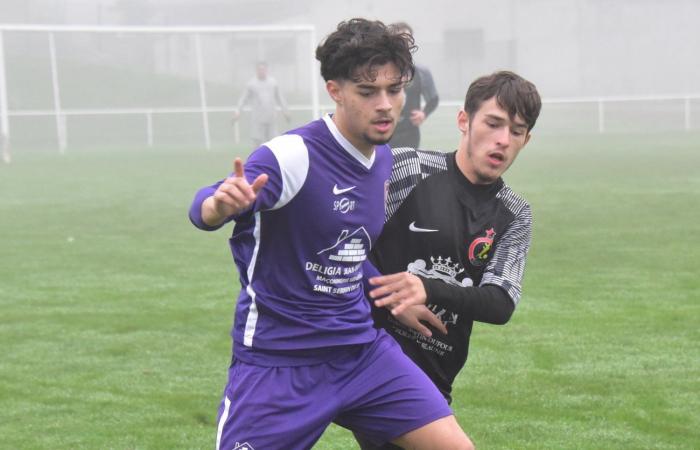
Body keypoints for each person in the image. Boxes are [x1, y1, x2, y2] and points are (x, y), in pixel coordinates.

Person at [189, 18, 474, 450]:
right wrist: (219, 206)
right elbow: (205, 205)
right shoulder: (293, 155)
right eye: (367, 91)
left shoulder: (380, 160)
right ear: (335, 90)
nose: (385, 105)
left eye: (394, 90)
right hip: (280, 365)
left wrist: (388, 299)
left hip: (361, 355)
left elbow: (348, 250)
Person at [354, 71, 542, 450]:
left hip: (432, 380)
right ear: (463, 121)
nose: (503, 140)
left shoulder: (514, 213)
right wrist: (390, 300)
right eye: (493, 123)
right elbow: (340, 242)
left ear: (526, 140)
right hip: (362, 356)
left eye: (517, 131)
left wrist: (424, 288)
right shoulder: (409, 169)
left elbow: (500, 302)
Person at [388, 22, 439, 149]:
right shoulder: (380, 71)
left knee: (409, 167)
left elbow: (433, 99)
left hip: (410, 133)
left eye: (407, 39)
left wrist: (424, 113)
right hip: (385, 131)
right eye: (400, 39)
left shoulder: (421, 72)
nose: (405, 43)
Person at [232, 61, 290, 148]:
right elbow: (243, 99)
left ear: (266, 70)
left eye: (263, 69)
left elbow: (280, 98)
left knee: (272, 143)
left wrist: (285, 111)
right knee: (257, 143)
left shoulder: (273, 82)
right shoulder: (251, 84)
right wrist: (238, 111)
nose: (261, 71)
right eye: (259, 69)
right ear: (256, 71)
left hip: (271, 119)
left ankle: (271, 160)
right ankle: (256, 161)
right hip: (257, 119)